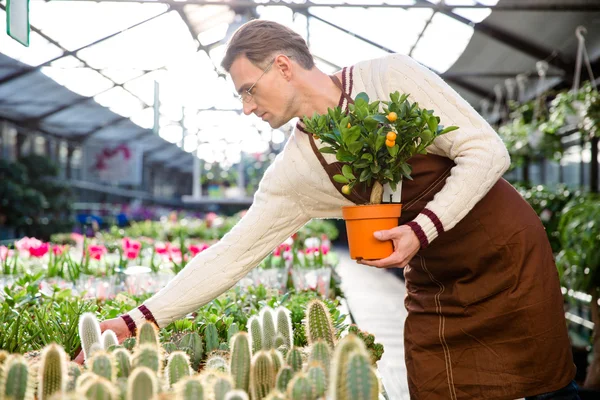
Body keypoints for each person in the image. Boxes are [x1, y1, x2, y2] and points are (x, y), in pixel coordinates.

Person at [77, 20, 578, 400]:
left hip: (504, 254)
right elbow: (231, 255)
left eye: (248, 90)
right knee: (436, 385)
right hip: (435, 285)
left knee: (542, 383)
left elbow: (488, 151)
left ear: (283, 66)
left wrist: (422, 228)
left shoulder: (389, 78)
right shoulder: (296, 170)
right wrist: (139, 318)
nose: (247, 108)